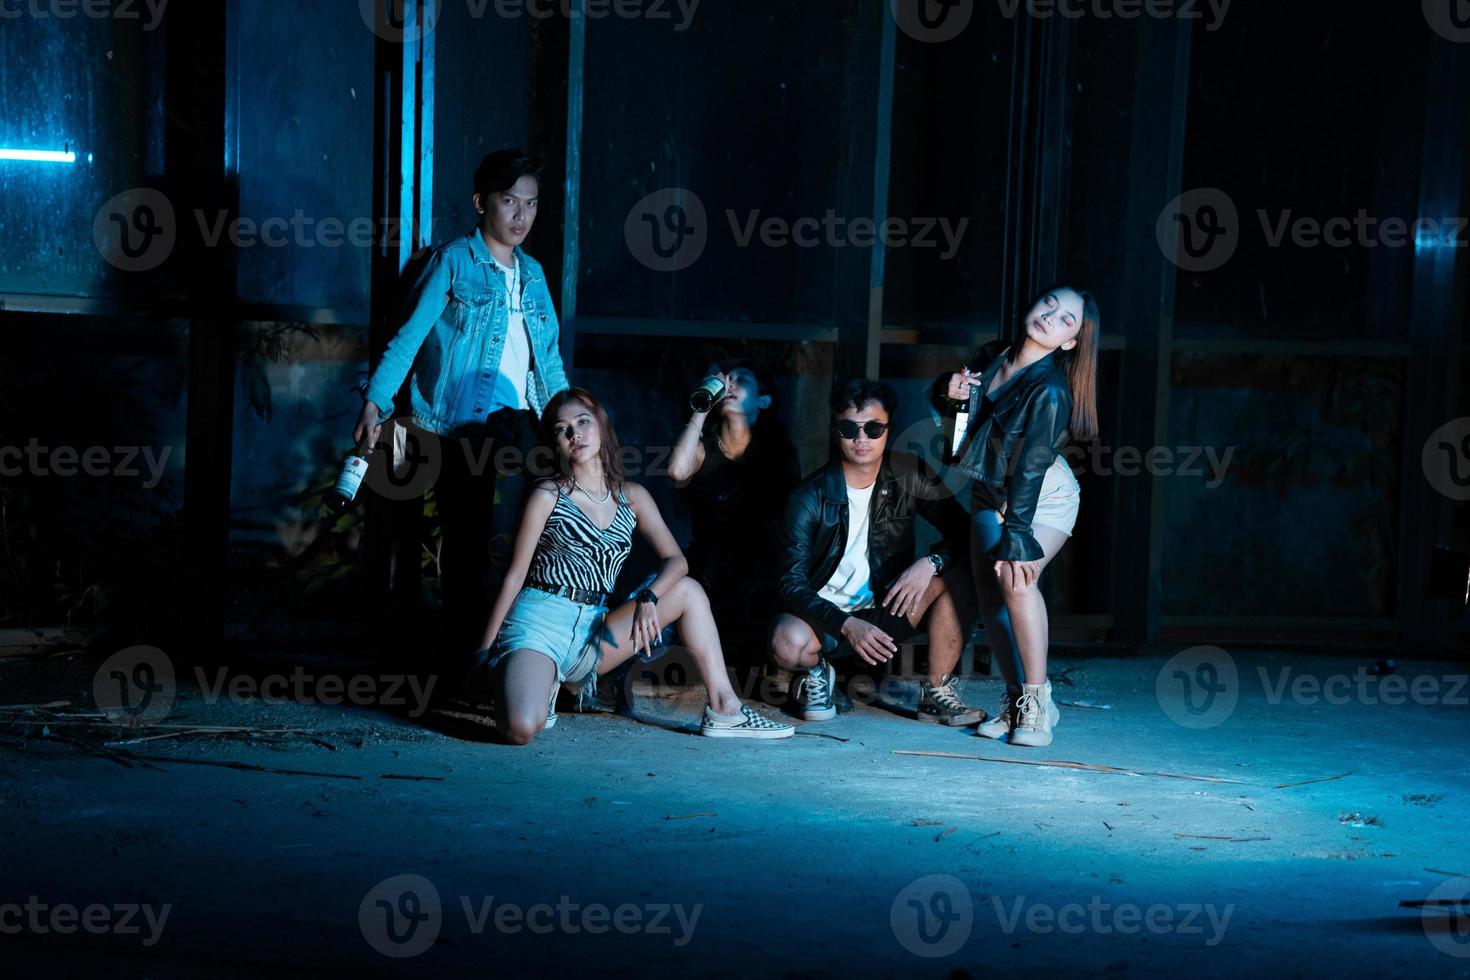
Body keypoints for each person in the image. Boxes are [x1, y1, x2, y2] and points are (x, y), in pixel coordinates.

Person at [475, 388, 795, 744]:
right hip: (540, 625)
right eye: (562, 429)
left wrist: (649, 596)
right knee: (520, 729)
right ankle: (531, 679)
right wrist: (484, 649)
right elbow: (515, 576)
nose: (575, 434)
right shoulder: (548, 494)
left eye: (582, 422)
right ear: (556, 443)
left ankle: (725, 709)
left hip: (594, 633)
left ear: (601, 426)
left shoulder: (632, 496)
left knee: (688, 591)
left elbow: (677, 561)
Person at [351, 149, 568, 659]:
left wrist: (569, 421)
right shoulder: (453, 262)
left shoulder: (533, 274)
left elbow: (549, 360)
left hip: (520, 424)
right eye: (509, 201)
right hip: (456, 428)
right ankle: (462, 657)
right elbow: (408, 337)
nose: (521, 216)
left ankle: (522, 651)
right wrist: (375, 402)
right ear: (480, 202)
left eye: (531, 204)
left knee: (532, 537)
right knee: (467, 546)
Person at [934, 286, 1099, 747]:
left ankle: (1037, 702)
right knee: (991, 600)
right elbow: (959, 447)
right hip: (991, 492)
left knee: (1016, 579)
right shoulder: (992, 356)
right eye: (1050, 303)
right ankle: (1014, 700)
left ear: (1070, 343)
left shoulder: (1050, 390)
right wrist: (954, 402)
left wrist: (1019, 533)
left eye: (1067, 319)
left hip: (1042, 497)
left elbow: (1029, 468)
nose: (1051, 316)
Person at [769, 379, 984, 725]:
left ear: (889, 429)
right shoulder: (809, 496)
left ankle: (937, 692)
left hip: (888, 606)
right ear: (834, 430)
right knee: (786, 642)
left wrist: (931, 562)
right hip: (824, 618)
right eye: (849, 429)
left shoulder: (909, 473)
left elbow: (967, 530)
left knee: (963, 570)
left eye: (873, 428)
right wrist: (846, 624)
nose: (861, 439)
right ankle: (818, 673)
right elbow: (790, 584)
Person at [667, 357, 800, 672]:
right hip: (709, 571)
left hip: (761, 572)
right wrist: (700, 411)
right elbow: (676, 471)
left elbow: (789, 523)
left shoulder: (779, 453)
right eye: (726, 380)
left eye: (742, 380)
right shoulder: (702, 448)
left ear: (763, 401)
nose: (730, 385)